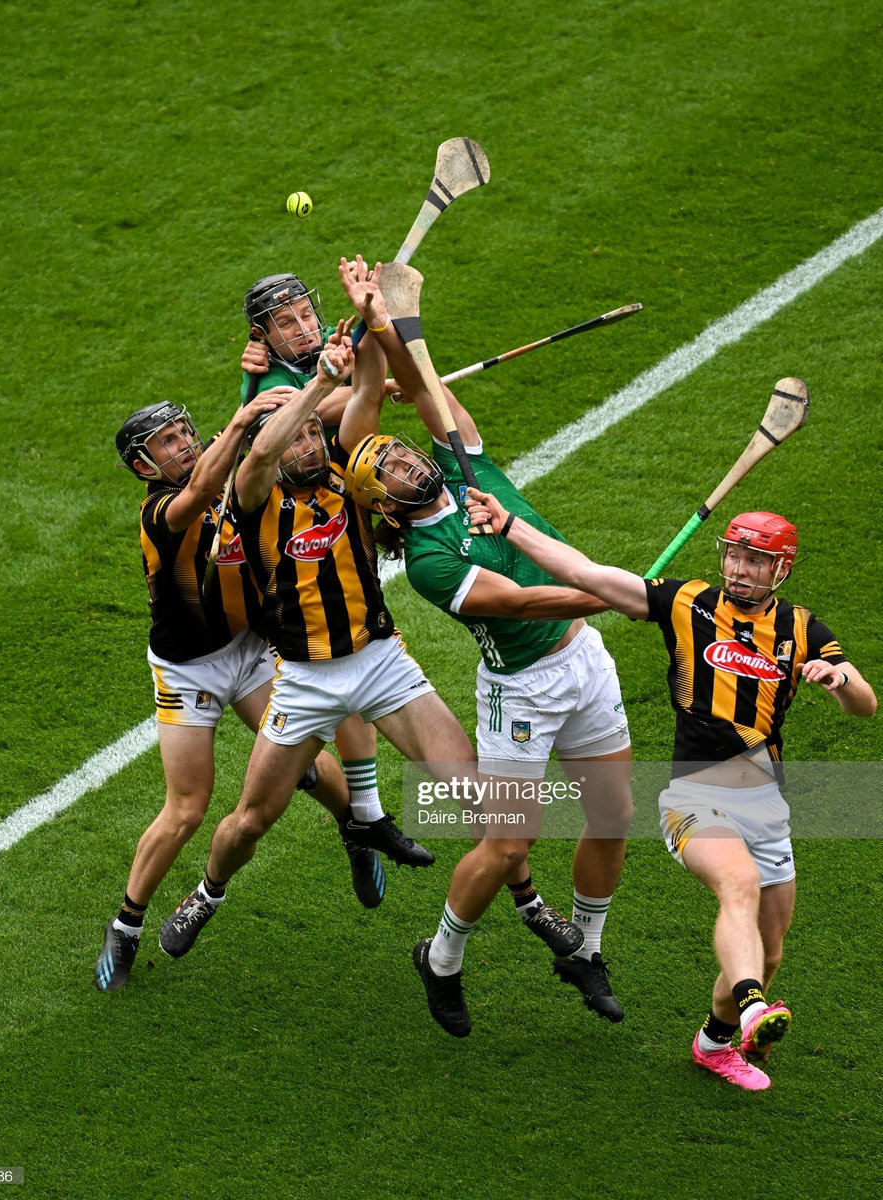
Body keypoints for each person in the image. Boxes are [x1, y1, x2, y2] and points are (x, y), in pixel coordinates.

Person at [158, 311, 581, 983]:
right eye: (295, 436)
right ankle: (207, 892)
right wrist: (314, 384)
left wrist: (368, 331)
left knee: (477, 796)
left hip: (383, 666)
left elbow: (365, 395)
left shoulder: (349, 481)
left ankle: (531, 904)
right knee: (251, 819)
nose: (306, 444)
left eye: (310, 435)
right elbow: (262, 450)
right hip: (303, 680)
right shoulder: (252, 493)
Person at [463, 490, 877, 1088]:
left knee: (771, 941)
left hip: (765, 798)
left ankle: (716, 1041)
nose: (738, 568)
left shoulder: (803, 628)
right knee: (739, 885)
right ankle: (755, 1005)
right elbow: (588, 575)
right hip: (695, 793)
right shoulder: (689, 603)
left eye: (754, 560)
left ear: (780, 568)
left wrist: (838, 679)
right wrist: (510, 527)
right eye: (733, 555)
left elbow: (864, 705)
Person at [337, 258, 634, 1037]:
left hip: (584, 663)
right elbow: (526, 599)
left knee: (611, 815)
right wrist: (623, 593)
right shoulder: (433, 565)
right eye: (388, 469)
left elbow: (431, 396)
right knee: (508, 842)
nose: (405, 459)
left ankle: (586, 950)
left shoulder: (465, 465)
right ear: (384, 509)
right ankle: (439, 957)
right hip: (521, 691)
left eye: (401, 452)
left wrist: (388, 321)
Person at [95, 379, 381, 992]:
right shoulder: (162, 512)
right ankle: (126, 927)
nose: (182, 446)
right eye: (167, 443)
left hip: (250, 650)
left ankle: (357, 833)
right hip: (188, 669)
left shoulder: (240, 476)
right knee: (188, 807)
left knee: (303, 762)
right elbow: (201, 489)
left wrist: (360, 388)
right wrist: (248, 413)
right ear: (144, 466)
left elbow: (306, 436)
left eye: (183, 433)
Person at [240, 272, 395, 851]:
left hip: (336, 522)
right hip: (283, 543)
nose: (304, 328)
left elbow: (359, 391)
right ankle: (350, 805)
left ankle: (365, 816)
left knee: (346, 650)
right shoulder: (268, 382)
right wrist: (354, 378)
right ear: (263, 335)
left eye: (308, 315)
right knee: (326, 658)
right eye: (287, 322)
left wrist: (365, 370)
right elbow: (308, 416)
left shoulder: (283, 360)